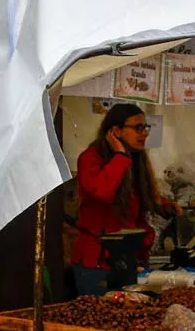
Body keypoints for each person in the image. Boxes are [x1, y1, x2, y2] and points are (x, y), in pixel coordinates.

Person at [74, 104, 176, 296]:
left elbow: (137, 195)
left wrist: (164, 205)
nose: (145, 133)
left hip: (128, 259)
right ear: (116, 131)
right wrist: (120, 156)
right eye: (138, 127)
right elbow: (103, 192)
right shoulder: (90, 158)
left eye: (146, 127)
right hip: (97, 262)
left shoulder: (135, 159)